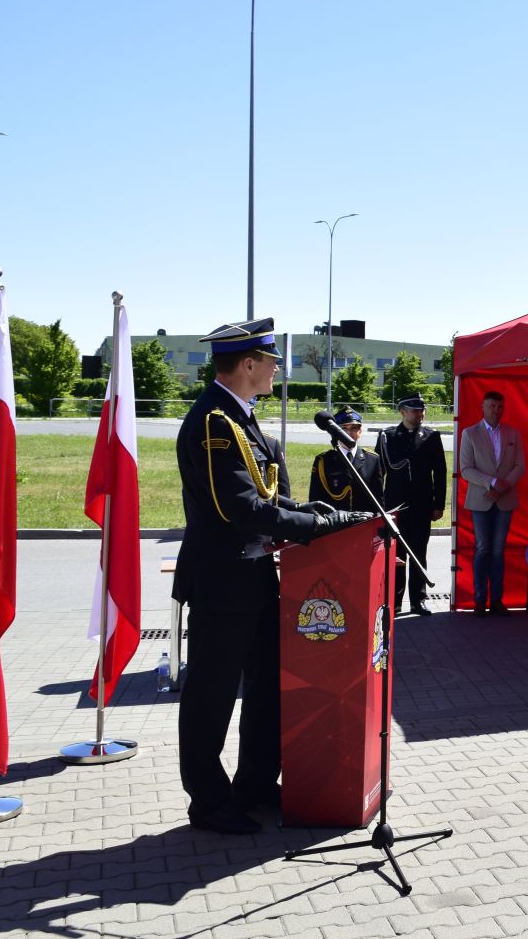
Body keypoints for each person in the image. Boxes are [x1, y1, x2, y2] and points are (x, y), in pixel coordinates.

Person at [174, 317, 370, 835]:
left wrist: (312, 511)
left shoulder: (242, 417)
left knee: (266, 690)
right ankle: (208, 802)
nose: (278, 369)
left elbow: (269, 497)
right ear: (248, 364)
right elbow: (240, 509)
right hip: (222, 583)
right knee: (212, 696)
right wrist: (313, 526)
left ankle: (256, 785)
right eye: (271, 361)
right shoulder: (214, 422)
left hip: (255, 578)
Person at [377, 394, 450, 616]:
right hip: (395, 506)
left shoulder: (431, 437)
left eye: (422, 410)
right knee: (396, 554)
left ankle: (419, 599)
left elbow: (440, 472)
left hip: (421, 505)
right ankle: (395, 600)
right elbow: (378, 472)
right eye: (415, 410)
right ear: (403, 411)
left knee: (419, 552)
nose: (420, 414)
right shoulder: (387, 436)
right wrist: (379, 505)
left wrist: (438, 504)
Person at [455, 391, 522, 615]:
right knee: (483, 548)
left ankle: (497, 600)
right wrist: (491, 483)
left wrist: (503, 486)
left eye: (499, 406)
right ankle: (479, 599)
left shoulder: (512, 433)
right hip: (481, 499)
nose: (496, 410)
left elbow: (520, 466)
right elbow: (465, 469)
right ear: (483, 407)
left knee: (498, 550)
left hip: (505, 498)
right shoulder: (470, 433)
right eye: (492, 406)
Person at [308, 407, 383, 514]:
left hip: (365, 521)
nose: (349, 432)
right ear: (335, 431)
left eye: (354, 428)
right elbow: (315, 499)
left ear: (360, 431)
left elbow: (378, 498)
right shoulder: (323, 461)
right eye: (344, 428)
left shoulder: (372, 459)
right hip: (334, 521)